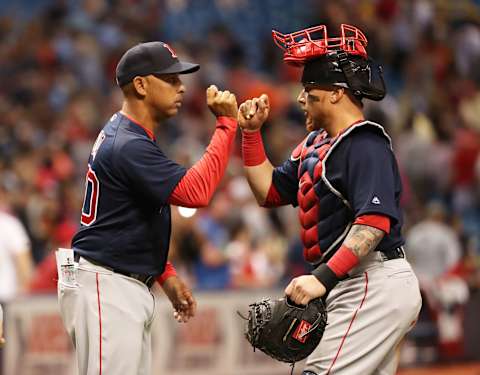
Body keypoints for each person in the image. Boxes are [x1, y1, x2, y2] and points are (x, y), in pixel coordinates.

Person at [238, 24, 422, 375]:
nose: (301, 98)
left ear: (337, 92)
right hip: (351, 282)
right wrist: (250, 135)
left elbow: (375, 223)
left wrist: (321, 278)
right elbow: (270, 192)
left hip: (373, 280)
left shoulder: (365, 143)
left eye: (309, 89)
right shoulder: (315, 145)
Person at [57, 41, 238, 375]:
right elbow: (195, 192)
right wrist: (226, 125)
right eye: (169, 79)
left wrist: (162, 272)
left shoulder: (128, 134)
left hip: (114, 279)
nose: (181, 86)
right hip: (105, 284)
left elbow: (126, 217)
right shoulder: (127, 143)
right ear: (140, 85)